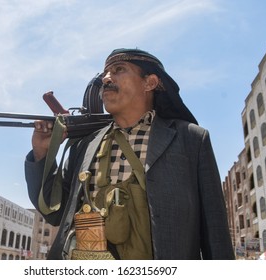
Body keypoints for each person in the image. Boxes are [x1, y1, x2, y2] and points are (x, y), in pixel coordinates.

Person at [24, 48, 235, 260]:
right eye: (105, 73)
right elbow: (54, 212)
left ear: (150, 83)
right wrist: (41, 153)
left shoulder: (190, 139)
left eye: (119, 70)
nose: (106, 78)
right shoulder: (86, 145)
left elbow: (215, 231)